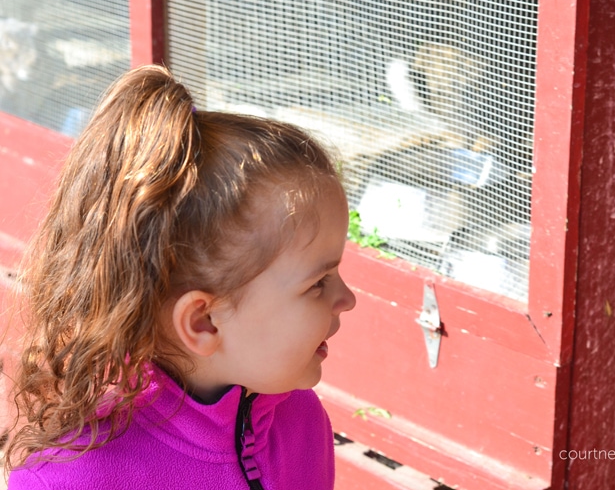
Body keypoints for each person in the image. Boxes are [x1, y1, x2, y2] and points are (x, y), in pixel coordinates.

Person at [4, 64, 356, 489]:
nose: (347, 298)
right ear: (203, 322)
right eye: (317, 283)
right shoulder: (69, 480)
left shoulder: (301, 419)